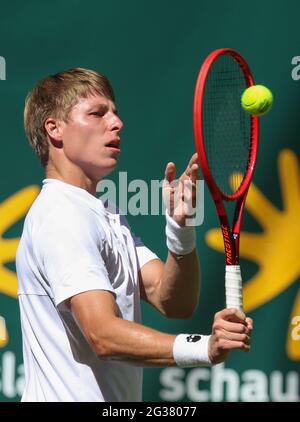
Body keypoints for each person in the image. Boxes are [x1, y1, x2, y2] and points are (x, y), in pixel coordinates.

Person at [16, 68, 253, 402]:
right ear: (54, 129)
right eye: (97, 113)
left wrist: (180, 228)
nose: (117, 123)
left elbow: (173, 300)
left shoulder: (104, 214)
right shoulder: (61, 214)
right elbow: (103, 334)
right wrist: (205, 348)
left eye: (115, 112)